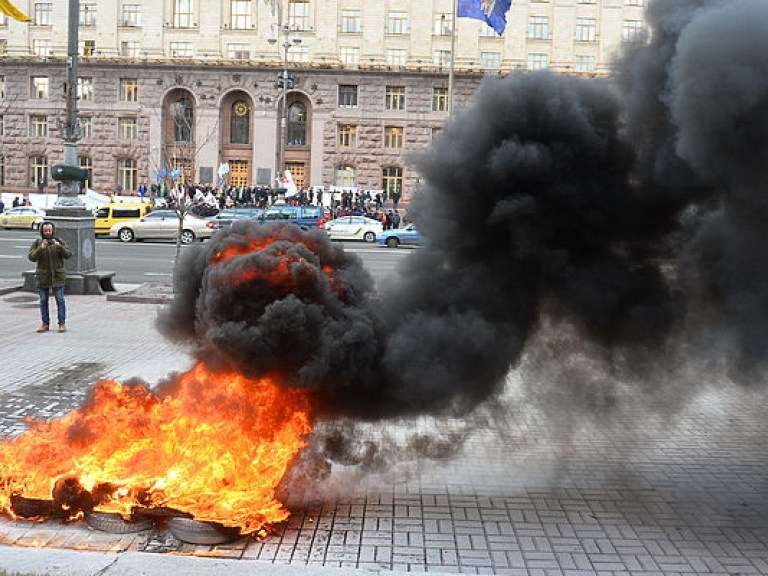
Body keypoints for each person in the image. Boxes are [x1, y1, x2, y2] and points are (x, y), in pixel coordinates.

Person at [28, 222, 71, 333]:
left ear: (53, 230)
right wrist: (41, 248)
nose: (47, 233)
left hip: (57, 276)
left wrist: (60, 247)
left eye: (49, 230)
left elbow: (68, 254)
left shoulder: (58, 241)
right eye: (45, 230)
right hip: (43, 277)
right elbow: (31, 257)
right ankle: (45, 324)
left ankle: (62, 323)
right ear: (42, 231)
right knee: (43, 301)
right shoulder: (38, 242)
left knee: (60, 300)